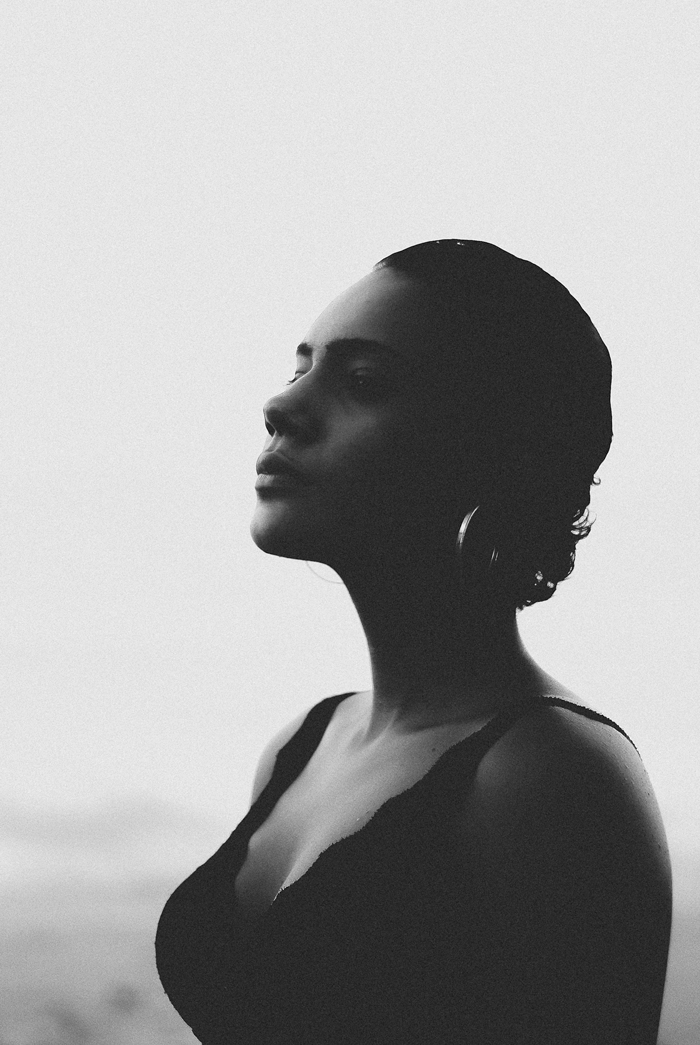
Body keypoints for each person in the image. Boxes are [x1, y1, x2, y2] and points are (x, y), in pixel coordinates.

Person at [155, 240, 672, 1043]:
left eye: (363, 381)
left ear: (490, 451)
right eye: (300, 368)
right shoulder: (303, 743)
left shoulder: (553, 778)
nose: (280, 405)